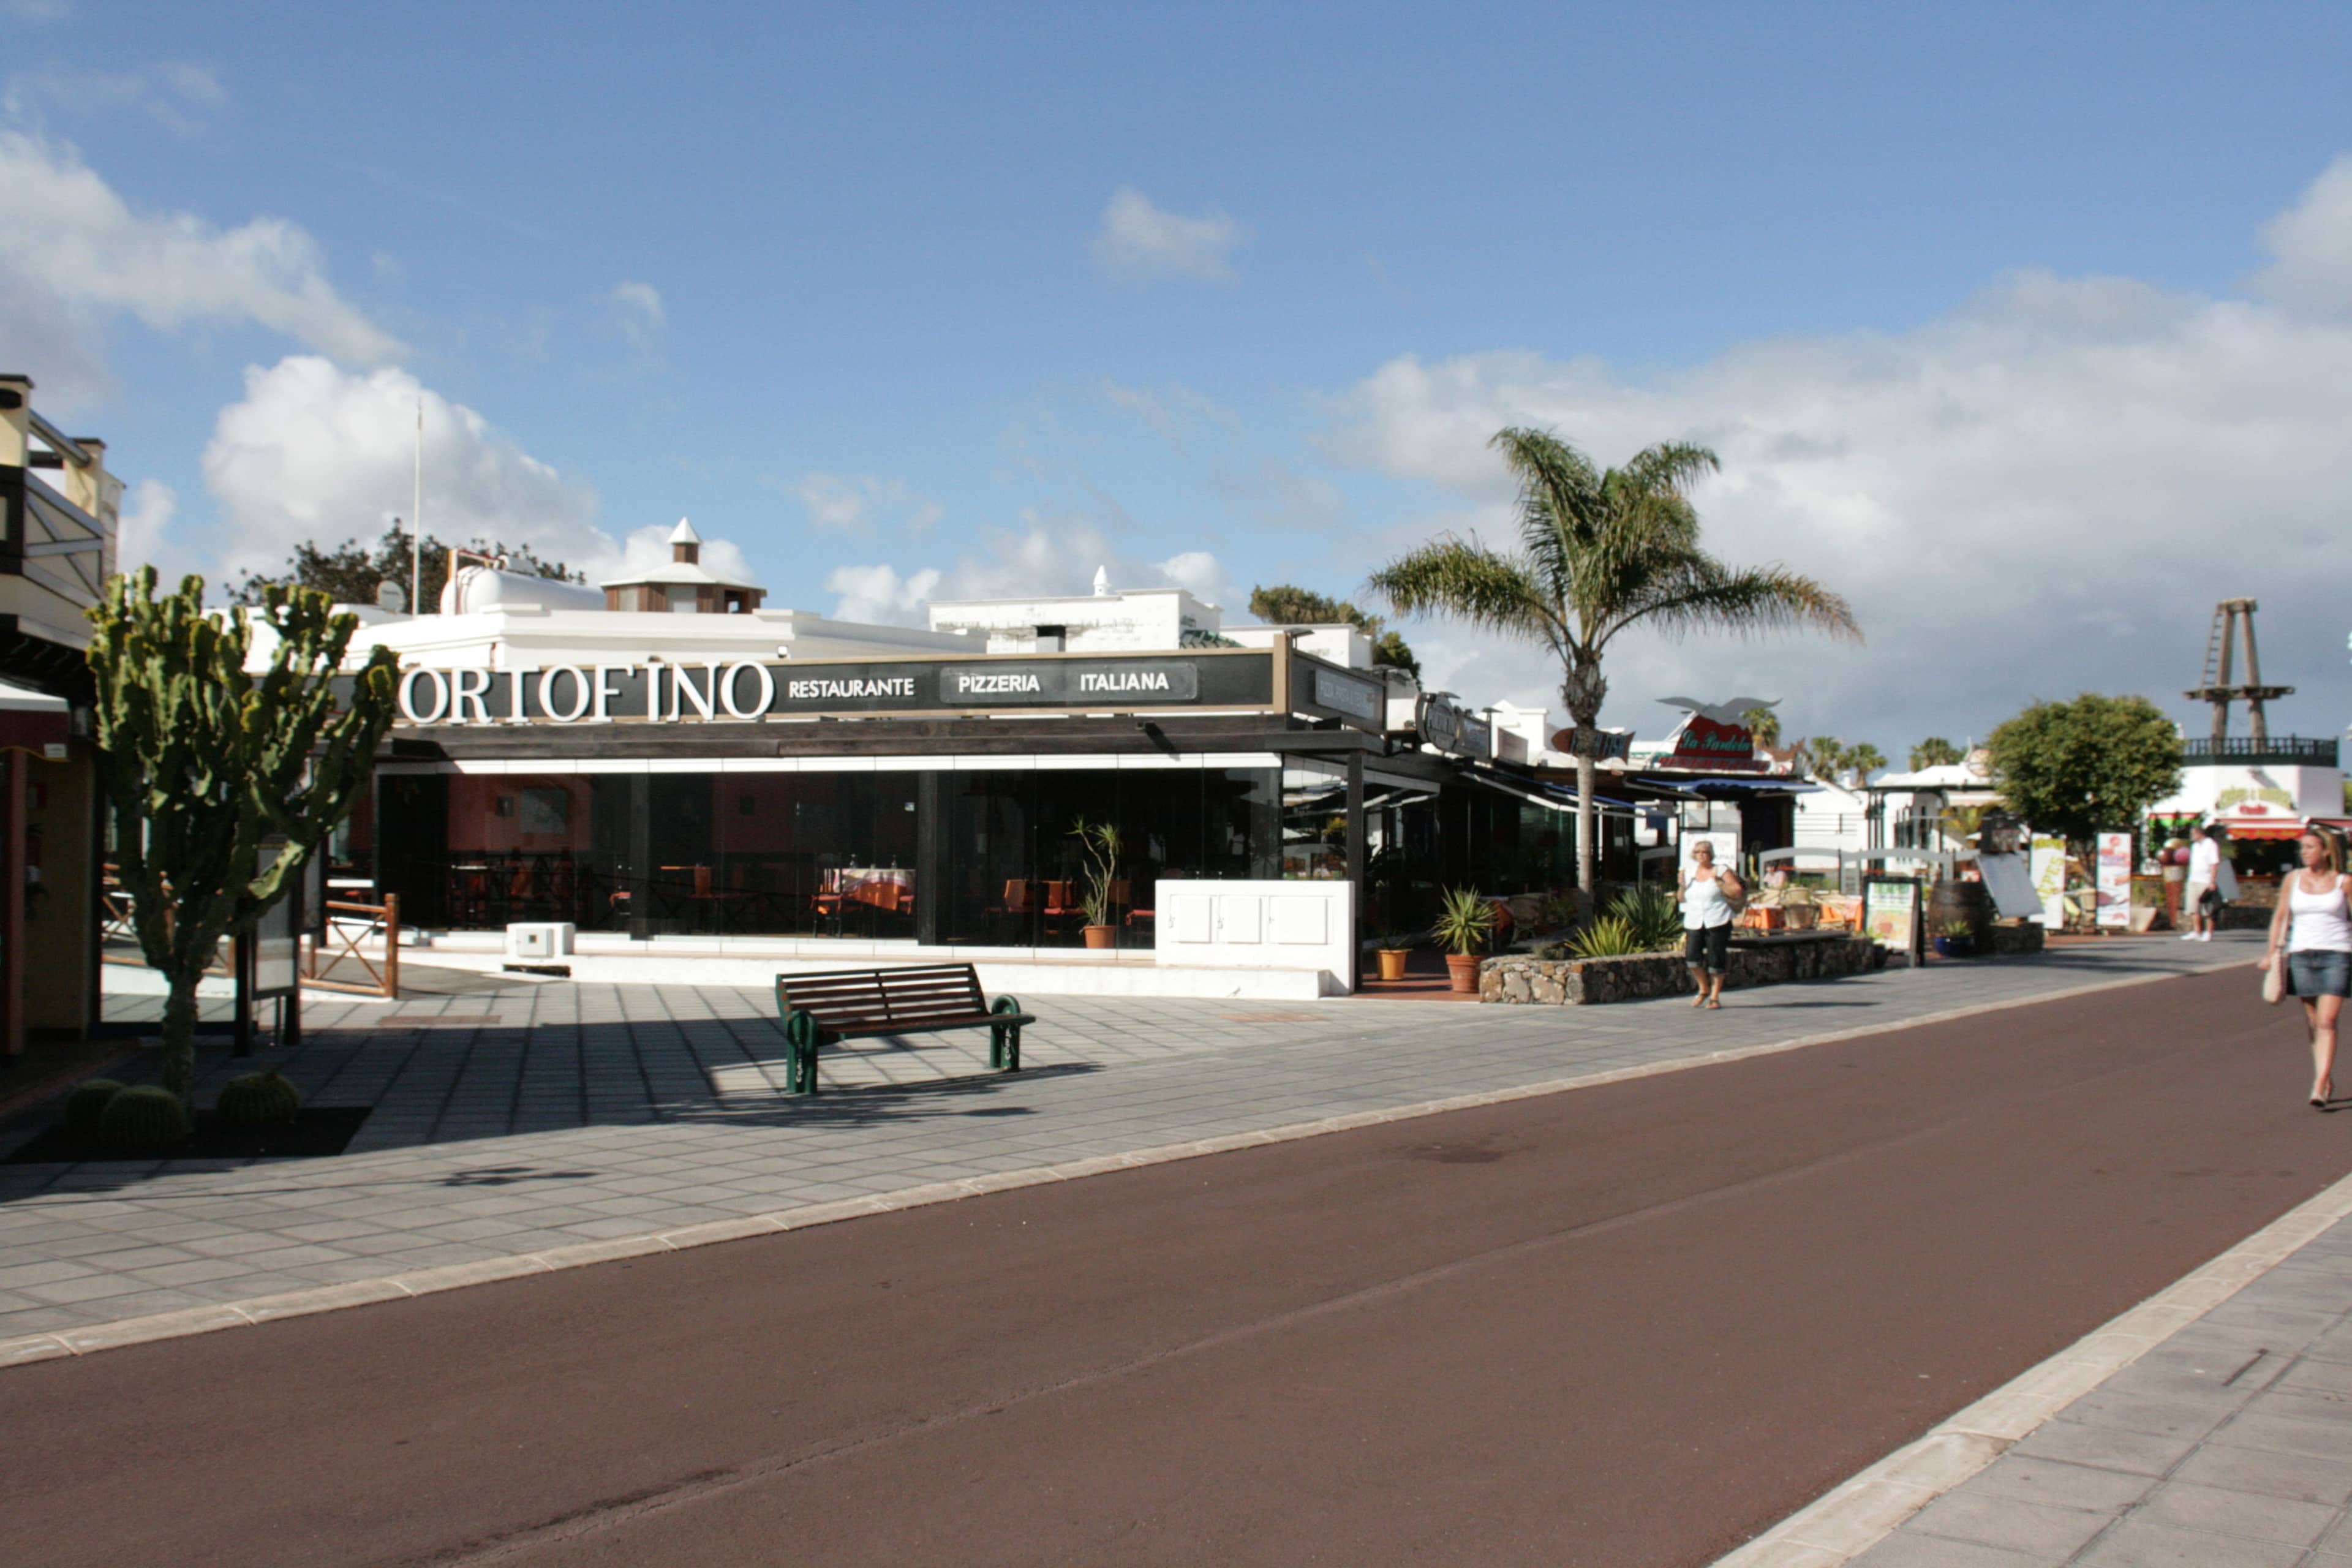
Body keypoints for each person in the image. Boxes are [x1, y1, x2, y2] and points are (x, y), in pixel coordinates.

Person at [2261, 830, 2352, 1108]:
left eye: (2310, 847)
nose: (2304, 852)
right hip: (2301, 955)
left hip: (2338, 954)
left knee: (2327, 1021)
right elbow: (2280, 917)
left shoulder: (2344, 882)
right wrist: (2270, 953)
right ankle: (2325, 1076)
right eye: (2302, 848)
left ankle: (2320, 1083)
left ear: (2326, 851)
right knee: (2313, 1023)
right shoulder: (2293, 879)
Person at [1679, 840, 1742, 1010]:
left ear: (1710, 854)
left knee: (1716, 958)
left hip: (1717, 919)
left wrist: (1719, 882)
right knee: (1692, 957)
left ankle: (1715, 996)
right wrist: (1681, 885)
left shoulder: (1721, 870)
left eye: (1705, 852)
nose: (1701, 855)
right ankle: (1703, 988)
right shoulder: (1690, 872)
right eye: (1698, 852)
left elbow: (1737, 891)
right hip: (1694, 920)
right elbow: (1681, 898)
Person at [2182, 823, 2233, 941]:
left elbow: (2214, 863)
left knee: (2207, 908)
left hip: (2205, 880)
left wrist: (2212, 881)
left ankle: (2208, 932)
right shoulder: (2195, 846)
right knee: (2193, 907)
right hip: (2194, 879)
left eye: (2194, 834)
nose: (2192, 836)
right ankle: (2196, 931)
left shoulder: (2211, 845)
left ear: (2200, 833)